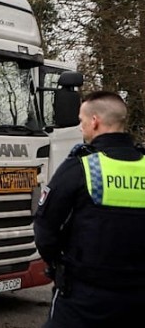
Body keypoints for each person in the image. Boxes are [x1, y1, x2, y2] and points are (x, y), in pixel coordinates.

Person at [34, 91, 145, 327]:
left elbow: (45, 228)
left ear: (94, 121)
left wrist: (58, 265)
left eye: (81, 121)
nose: (81, 128)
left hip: (84, 299)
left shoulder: (82, 167)